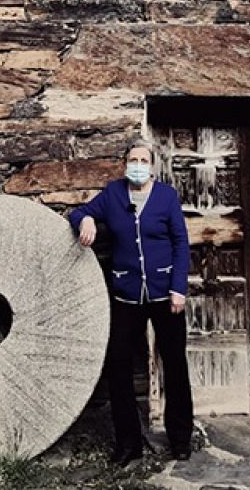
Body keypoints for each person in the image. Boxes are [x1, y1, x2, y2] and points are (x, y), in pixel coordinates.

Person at [68, 142, 193, 464]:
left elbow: (181, 242)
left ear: (152, 166)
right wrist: (86, 221)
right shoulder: (113, 194)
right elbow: (79, 212)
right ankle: (128, 444)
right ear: (125, 164)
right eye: (132, 160)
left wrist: (179, 288)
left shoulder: (166, 196)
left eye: (143, 161)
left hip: (165, 294)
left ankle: (180, 438)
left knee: (175, 365)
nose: (137, 165)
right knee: (119, 366)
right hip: (126, 295)